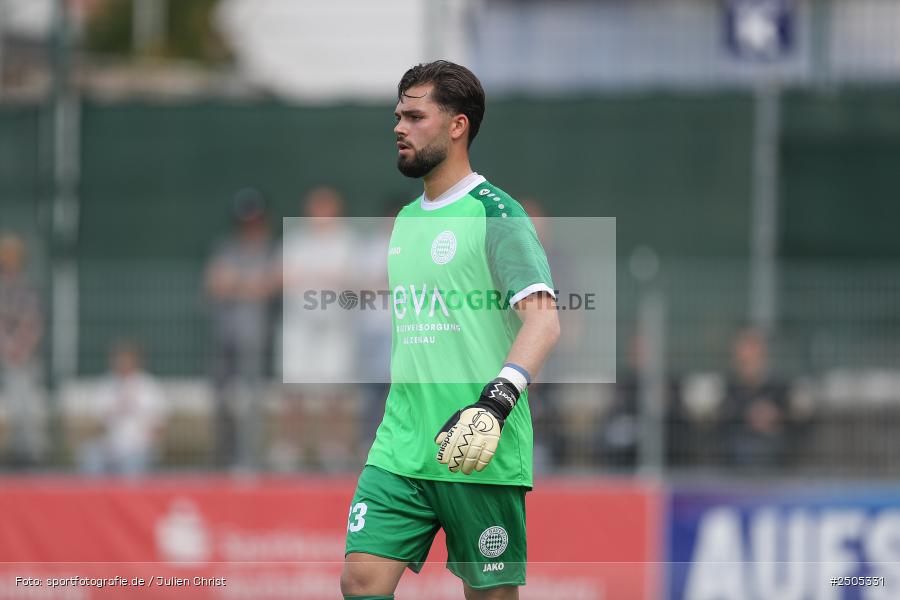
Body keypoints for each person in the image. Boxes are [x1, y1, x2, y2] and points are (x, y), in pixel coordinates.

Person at [341, 61, 561, 600]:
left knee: (490, 595)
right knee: (361, 580)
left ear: (457, 125)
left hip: (477, 447)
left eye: (415, 117)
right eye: (398, 116)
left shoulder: (496, 213)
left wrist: (495, 404)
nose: (400, 127)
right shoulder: (406, 220)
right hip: (401, 446)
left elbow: (544, 319)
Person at [204, 189, 277, 469]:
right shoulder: (226, 247)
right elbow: (215, 284)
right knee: (222, 399)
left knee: (252, 401)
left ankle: (251, 459)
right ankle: (223, 456)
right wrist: (248, 284)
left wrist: (236, 283)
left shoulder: (271, 249)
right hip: (225, 335)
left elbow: (268, 285)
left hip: (256, 338)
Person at [78, 340, 167, 477]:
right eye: (119, 359)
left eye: (127, 359)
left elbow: (160, 427)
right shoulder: (106, 386)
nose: (123, 363)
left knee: (133, 462)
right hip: (110, 447)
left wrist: (145, 441)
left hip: (139, 447)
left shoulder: (149, 387)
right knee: (90, 455)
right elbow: (96, 425)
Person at [0, 233, 46, 467]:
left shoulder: (27, 287)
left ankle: (30, 456)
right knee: (12, 406)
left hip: (24, 358)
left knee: (25, 407)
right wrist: (6, 346)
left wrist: (20, 348)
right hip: (5, 354)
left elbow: (33, 322)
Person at [721, 327, 790, 469]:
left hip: (773, 455)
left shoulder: (779, 387)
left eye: (752, 354)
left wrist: (774, 416)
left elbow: (789, 414)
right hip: (736, 456)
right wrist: (748, 414)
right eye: (743, 356)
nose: (747, 360)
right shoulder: (729, 388)